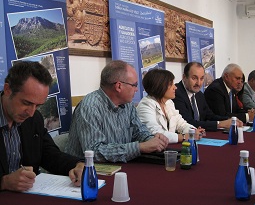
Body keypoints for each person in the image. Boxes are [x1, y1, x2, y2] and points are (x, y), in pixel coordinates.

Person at [0, 61, 84, 192]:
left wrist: (78, 164)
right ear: (7, 90)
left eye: (38, 105)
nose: (31, 112)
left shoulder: (34, 119)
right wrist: (3, 182)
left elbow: (48, 154)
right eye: (26, 103)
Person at [65, 60, 168, 163]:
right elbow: (94, 153)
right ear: (119, 86)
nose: (136, 89)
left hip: (119, 165)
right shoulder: (90, 107)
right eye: (134, 85)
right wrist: (139, 147)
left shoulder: (128, 105)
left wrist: (152, 140)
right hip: (87, 171)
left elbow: (139, 132)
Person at [136, 68, 205, 143]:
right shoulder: (145, 105)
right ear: (159, 86)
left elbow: (181, 123)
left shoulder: (169, 102)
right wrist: (184, 137)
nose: (175, 87)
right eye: (171, 84)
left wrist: (193, 131)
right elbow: (154, 133)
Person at [172, 62, 243, 131]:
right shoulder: (176, 93)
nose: (199, 83)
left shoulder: (199, 95)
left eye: (202, 78)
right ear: (184, 77)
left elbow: (209, 116)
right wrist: (220, 124)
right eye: (194, 78)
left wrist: (229, 120)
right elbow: (188, 123)